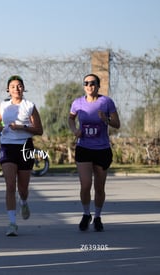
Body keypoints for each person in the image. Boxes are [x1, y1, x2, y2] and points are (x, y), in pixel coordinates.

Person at [0, 75, 43, 237]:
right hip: (7, 147)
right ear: (8, 89)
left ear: (23, 88)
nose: (16, 89)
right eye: (13, 86)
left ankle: (24, 201)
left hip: (25, 147)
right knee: (10, 185)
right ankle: (12, 223)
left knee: (23, 188)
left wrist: (22, 127)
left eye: (19, 86)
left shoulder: (30, 106)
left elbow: (39, 130)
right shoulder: (4, 105)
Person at [68, 73, 120, 232]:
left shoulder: (106, 102)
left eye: (92, 83)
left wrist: (106, 119)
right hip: (84, 148)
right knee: (85, 185)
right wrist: (75, 130)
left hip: (102, 149)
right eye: (86, 83)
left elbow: (117, 124)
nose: (89, 86)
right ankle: (86, 214)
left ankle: (97, 216)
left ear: (98, 86)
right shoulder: (77, 103)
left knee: (99, 187)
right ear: (83, 86)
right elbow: (70, 118)